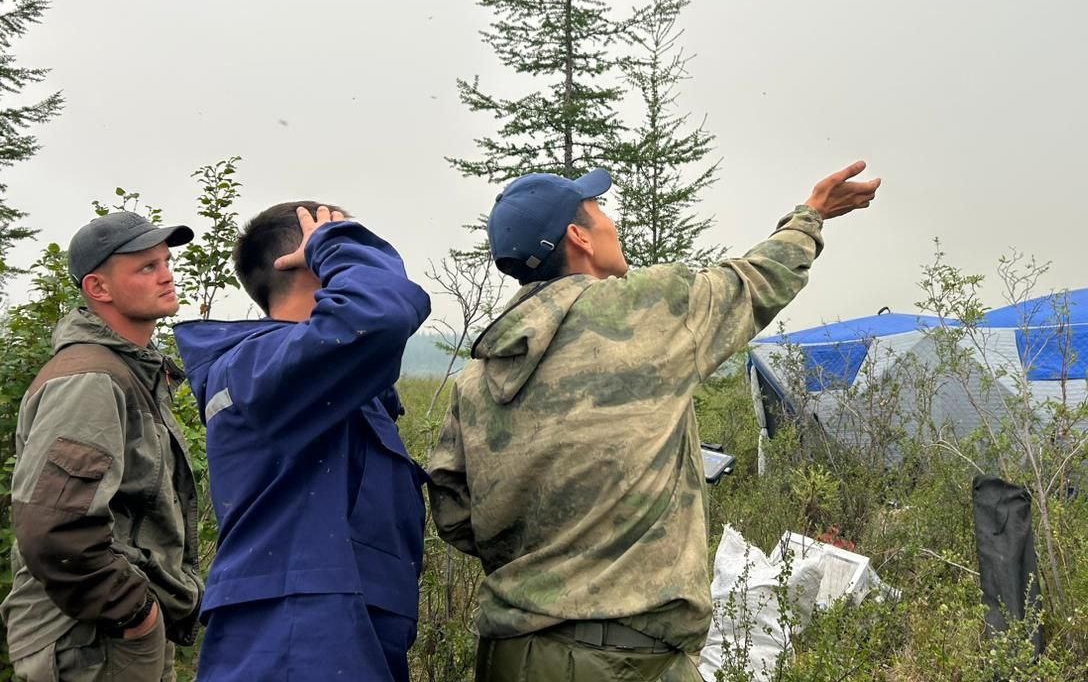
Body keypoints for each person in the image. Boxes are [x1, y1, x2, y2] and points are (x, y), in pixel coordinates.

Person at [427, 161, 881, 681]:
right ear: (579, 237)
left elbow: (454, 511)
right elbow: (754, 282)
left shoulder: (475, 379)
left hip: (508, 656)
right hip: (624, 660)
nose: (608, 220)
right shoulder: (646, 311)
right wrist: (810, 216)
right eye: (598, 209)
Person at [171, 204, 431, 681]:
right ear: (307, 261)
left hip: (338, 629)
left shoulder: (319, 380)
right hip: (296, 638)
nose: (354, 252)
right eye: (336, 241)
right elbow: (384, 311)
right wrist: (336, 246)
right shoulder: (257, 366)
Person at [2, 212, 204, 682]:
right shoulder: (91, 379)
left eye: (166, 261)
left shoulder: (127, 369)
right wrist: (136, 616)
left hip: (106, 634)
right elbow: (53, 527)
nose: (167, 273)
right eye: (146, 267)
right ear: (99, 289)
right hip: (92, 639)